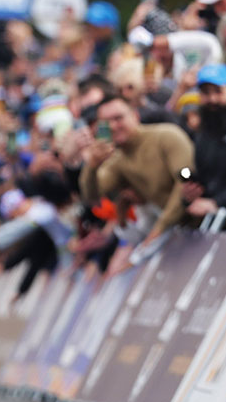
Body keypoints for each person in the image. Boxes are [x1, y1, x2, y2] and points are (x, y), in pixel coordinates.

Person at [79, 93, 196, 271]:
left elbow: (185, 178)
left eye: (118, 118)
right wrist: (91, 167)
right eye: (106, 122)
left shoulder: (167, 136)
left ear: (135, 115)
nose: (113, 126)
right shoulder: (118, 160)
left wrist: (159, 230)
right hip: (177, 235)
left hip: (206, 224)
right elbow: (92, 195)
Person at [183, 64, 226, 218]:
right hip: (213, 219)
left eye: (218, 91)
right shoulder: (201, 133)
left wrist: (217, 202)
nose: (212, 99)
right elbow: (204, 176)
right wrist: (190, 193)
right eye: (205, 93)